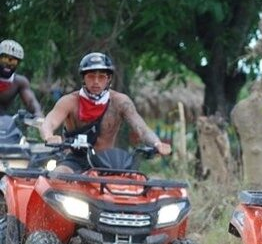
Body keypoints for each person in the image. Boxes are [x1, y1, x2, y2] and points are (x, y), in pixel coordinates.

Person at [40, 52, 171, 173]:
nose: (96, 82)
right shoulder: (69, 101)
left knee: (133, 186)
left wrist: (157, 143)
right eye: (91, 76)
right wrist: (49, 136)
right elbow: (49, 122)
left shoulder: (120, 102)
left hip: (108, 162)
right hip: (75, 160)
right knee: (59, 175)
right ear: (83, 78)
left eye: (101, 77)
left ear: (108, 79)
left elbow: (141, 127)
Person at [0, 39, 44, 118]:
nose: (8, 64)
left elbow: (31, 101)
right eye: (5, 59)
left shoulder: (19, 82)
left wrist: (38, 113)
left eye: (13, 61)